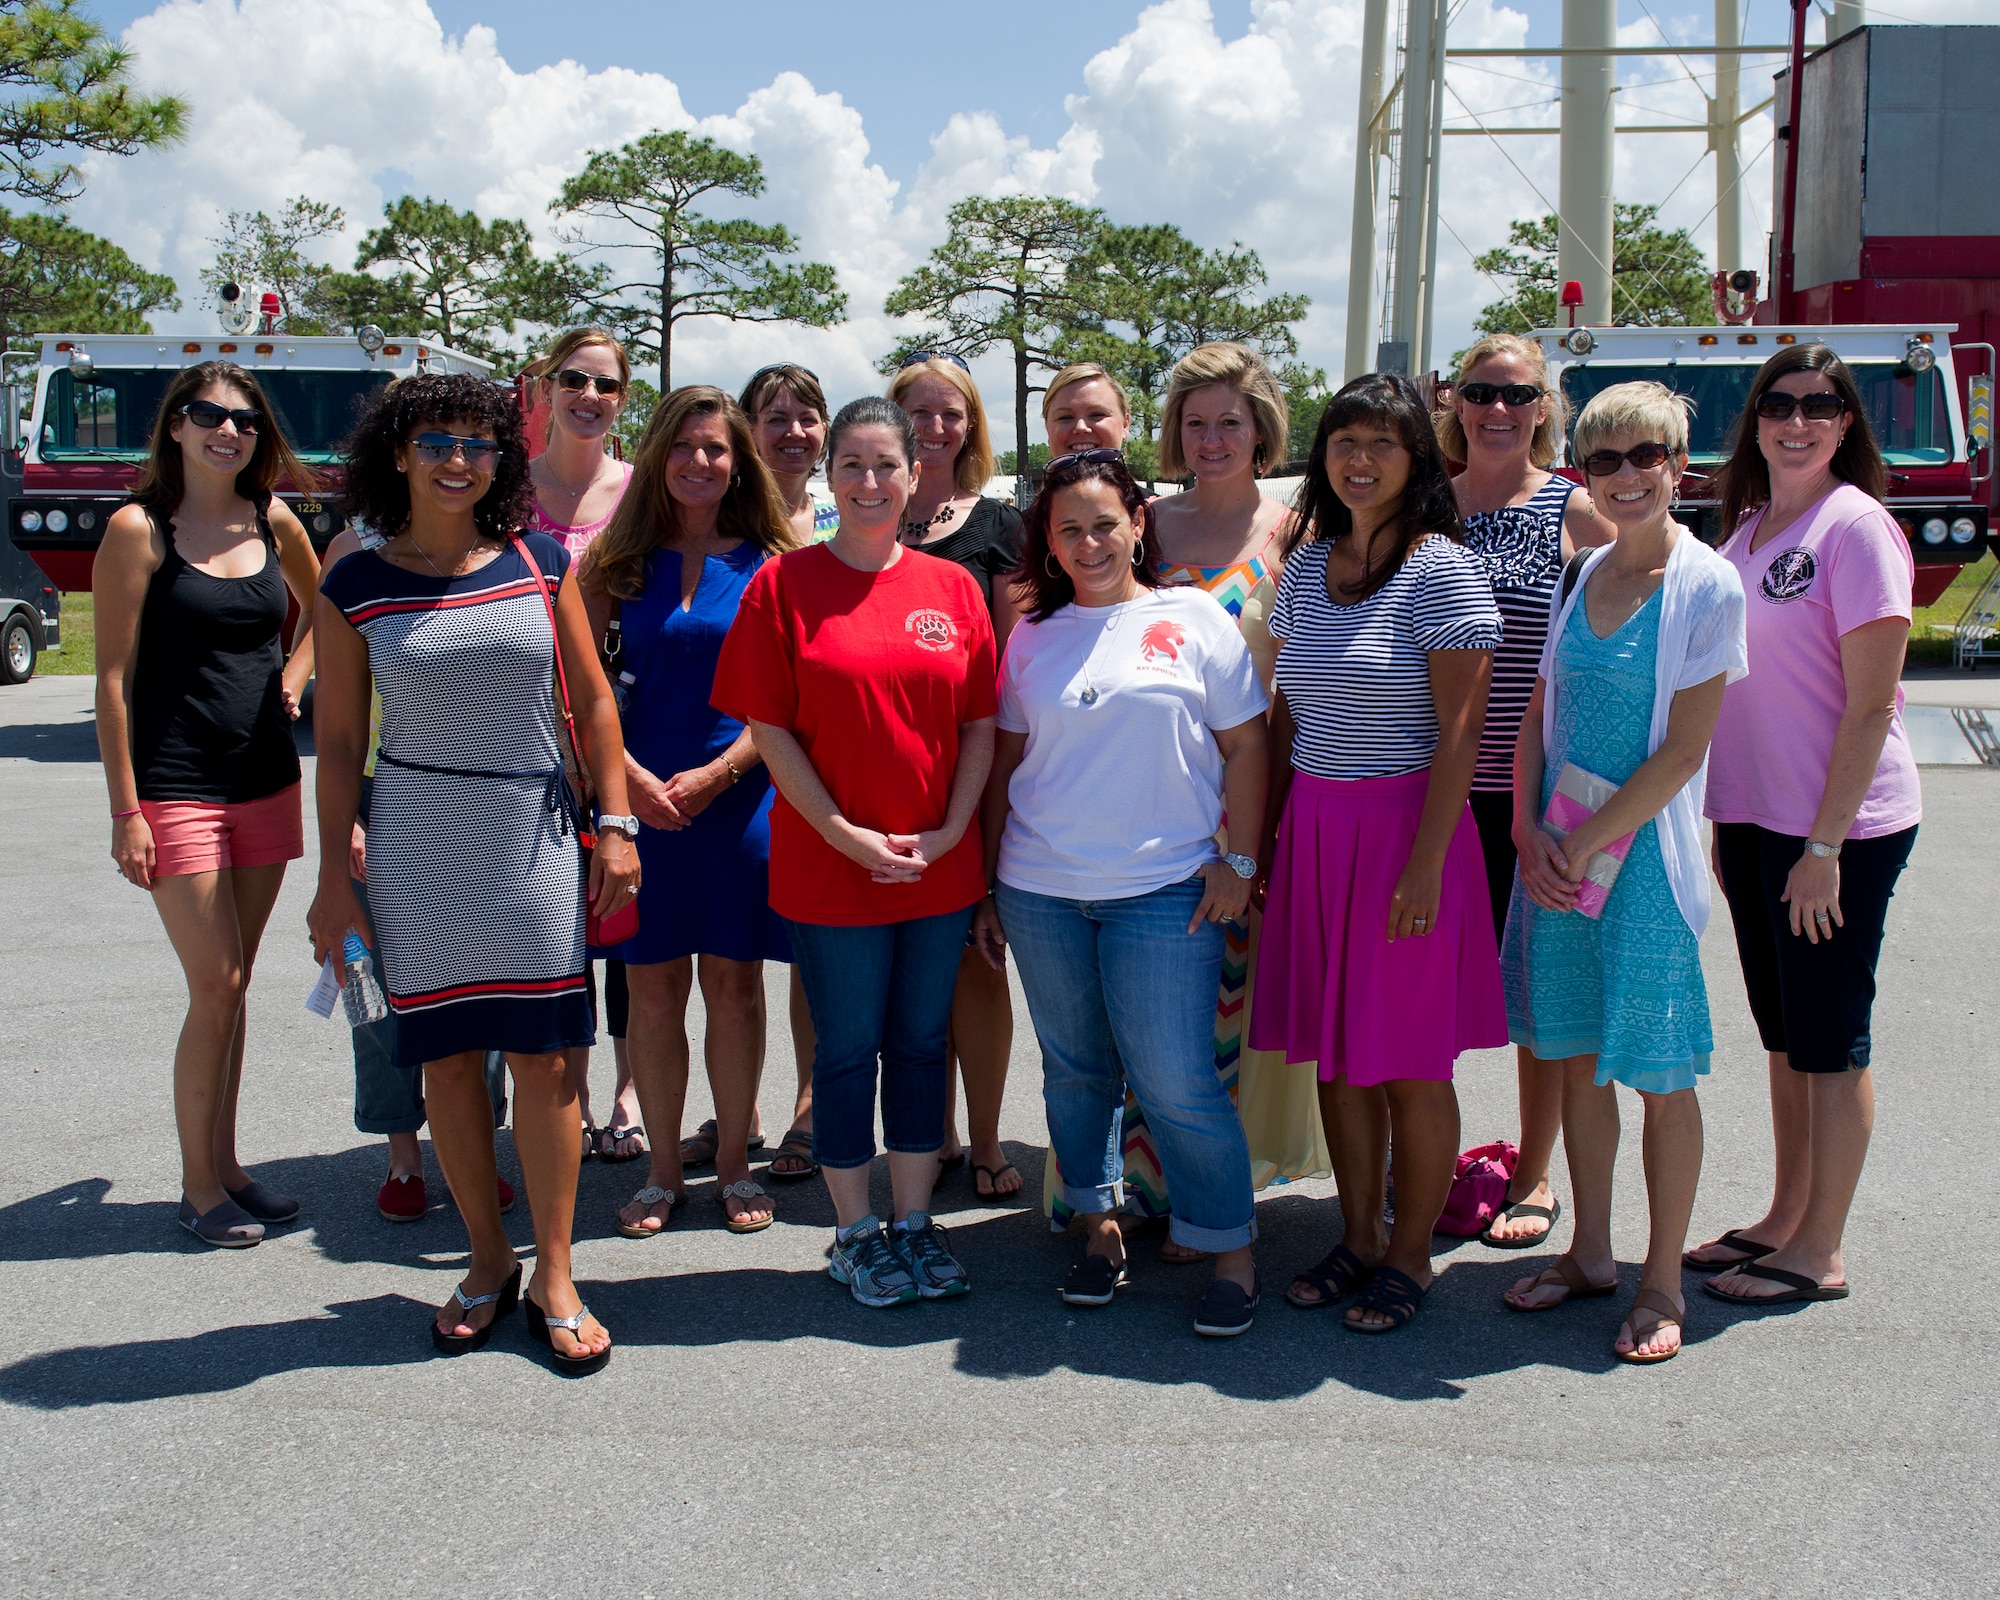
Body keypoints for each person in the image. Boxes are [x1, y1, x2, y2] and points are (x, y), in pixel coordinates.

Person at [311, 374, 637, 1373]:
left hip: (533, 832)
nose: (460, 458)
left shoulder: (541, 562)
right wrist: (332, 878)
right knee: (447, 1059)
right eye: (437, 440)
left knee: (543, 1060)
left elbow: (592, 697)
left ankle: (556, 1270)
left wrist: (617, 824)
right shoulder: (354, 582)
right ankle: (487, 1261)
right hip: (414, 838)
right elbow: (332, 740)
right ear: (397, 454)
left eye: (480, 442)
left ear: (502, 456)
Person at [973, 451, 1271, 1335]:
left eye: (1105, 522)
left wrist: (1241, 862)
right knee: (1074, 1074)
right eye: (1069, 528)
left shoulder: (1193, 619)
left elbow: (1249, 749)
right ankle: (1099, 1228)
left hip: (1163, 891)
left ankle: (1230, 1248)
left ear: (1138, 522)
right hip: (1041, 890)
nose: (1090, 541)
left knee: (1177, 1080)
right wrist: (990, 885)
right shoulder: (1031, 634)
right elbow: (1007, 768)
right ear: (1049, 544)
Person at [712, 396, 997, 1308]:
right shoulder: (783, 586)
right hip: (830, 866)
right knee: (845, 1052)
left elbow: (981, 723)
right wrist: (841, 832)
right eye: (853, 466)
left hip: (935, 864)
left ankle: (912, 1223)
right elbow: (769, 726)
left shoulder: (952, 590)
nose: (870, 483)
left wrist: (953, 832)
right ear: (829, 477)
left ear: (917, 477)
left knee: (918, 1045)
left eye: (887, 466)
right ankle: (852, 1232)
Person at [1250, 372, 1506, 1334]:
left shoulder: (1443, 568)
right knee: (1339, 1058)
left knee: (1408, 1063)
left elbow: (1462, 733)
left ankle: (1410, 1256)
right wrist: (1266, 838)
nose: (1359, 461)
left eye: (1382, 444)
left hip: (1407, 834)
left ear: (1417, 461)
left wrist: (1427, 866)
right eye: (1344, 441)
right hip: (1316, 829)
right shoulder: (1305, 568)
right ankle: (1356, 1235)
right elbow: (1284, 720)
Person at [1499, 382, 1747, 1364]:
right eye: (1600, 461)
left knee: (1654, 1070)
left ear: (1676, 465)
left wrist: (1582, 839)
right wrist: (1526, 829)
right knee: (1567, 1057)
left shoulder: (1707, 585)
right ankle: (1588, 1254)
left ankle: (1658, 1283)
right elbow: (1533, 715)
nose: (1624, 475)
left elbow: (1683, 753)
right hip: (1558, 858)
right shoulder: (1577, 574)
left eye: (1643, 455)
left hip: (1638, 863)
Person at [1691, 344, 1921, 1307]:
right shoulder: (1747, 530)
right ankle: (1785, 1214)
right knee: (1783, 1035)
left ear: (1845, 423)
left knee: (1830, 1039)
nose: (1797, 421)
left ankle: (1819, 1248)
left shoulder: (1856, 527)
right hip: (1754, 820)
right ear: (1756, 420)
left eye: (1819, 406)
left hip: (1839, 830)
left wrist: (1824, 848)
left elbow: (1871, 707)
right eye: (1779, 404)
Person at [1090, 342, 1326, 1264]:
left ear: (1262, 428)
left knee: (1220, 1001)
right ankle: (1133, 1182)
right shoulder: (1147, 526)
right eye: (1195, 422)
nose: (1213, 437)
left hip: (1253, 791)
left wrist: (1264, 833)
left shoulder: (1299, 531)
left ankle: (1207, 1195)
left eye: (1231, 420)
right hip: (1146, 797)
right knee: (1140, 1004)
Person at [93, 361, 321, 1249]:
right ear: (178, 428)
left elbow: (322, 611)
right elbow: (110, 683)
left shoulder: (274, 519)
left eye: (245, 420)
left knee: (237, 987)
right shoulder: (138, 529)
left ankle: (227, 1168)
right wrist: (126, 813)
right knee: (216, 982)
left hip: (264, 779)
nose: (228, 430)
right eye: (208, 415)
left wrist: (294, 677)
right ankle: (197, 1188)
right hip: (175, 785)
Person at [579, 386, 796, 1238]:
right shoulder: (612, 562)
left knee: (736, 987)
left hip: (740, 797)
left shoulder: (774, 560)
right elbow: (580, 687)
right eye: (684, 447)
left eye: (717, 448)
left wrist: (719, 772)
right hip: (636, 809)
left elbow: (788, 695)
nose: (701, 463)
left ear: (739, 460)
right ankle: (663, 1174)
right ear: (658, 455)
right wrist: (625, 782)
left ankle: (736, 1164)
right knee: (654, 986)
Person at [1438, 332, 1616, 1249]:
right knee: (1426, 984)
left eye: (1516, 395)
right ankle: (1421, 1160)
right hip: (1424, 788)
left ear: (1544, 406)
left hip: (1534, 794)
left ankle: (1535, 1174)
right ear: (1456, 403)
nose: (1497, 410)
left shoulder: (1574, 512)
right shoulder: (1424, 508)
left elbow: (1637, 626)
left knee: (1534, 998)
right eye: (1480, 392)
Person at [318, 518, 511, 1225]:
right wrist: (348, 829)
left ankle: (479, 1149)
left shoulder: (489, 546)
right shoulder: (349, 553)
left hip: (476, 792)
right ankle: (403, 1152)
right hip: (378, 793)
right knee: (374, 989)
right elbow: (337, 719)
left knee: (482, 986)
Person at [884, 353, 1022, 1201]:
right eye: (919, 413)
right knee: (909, 967)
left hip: (972, 771)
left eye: (952, 414)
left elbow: (1008, 671)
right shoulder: (867, 515)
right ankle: (924, 1135)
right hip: (886, 773)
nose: (935, 430)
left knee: (976, 959)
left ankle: (985, 1138)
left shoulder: (1001, 525)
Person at [527, 327, 643, 1164]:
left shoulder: (640, 495)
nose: (589, 397)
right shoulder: (503, 490)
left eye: (606, 386)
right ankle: (550, 1089)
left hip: (620, 732)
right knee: (539, 928)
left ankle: (628, 1095)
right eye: (574, 379)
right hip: (519, 730)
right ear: (544, 387)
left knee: (625, 926)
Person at [737, 361, 838, 1184]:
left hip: (829, 768)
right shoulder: (721, 513)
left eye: (807, 416)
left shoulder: (853, 512)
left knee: (812, 951)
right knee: (732, 954)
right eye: (774, 416)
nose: (792, 431)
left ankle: (811, 1106)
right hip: (736, 763)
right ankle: (738, 1114)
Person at [741, 361, 838, 543]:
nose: (796, 431)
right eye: (777, 420)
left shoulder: (842, 524)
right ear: (749, 429)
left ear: (824, 429)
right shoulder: (726, 521)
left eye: (807, 419)